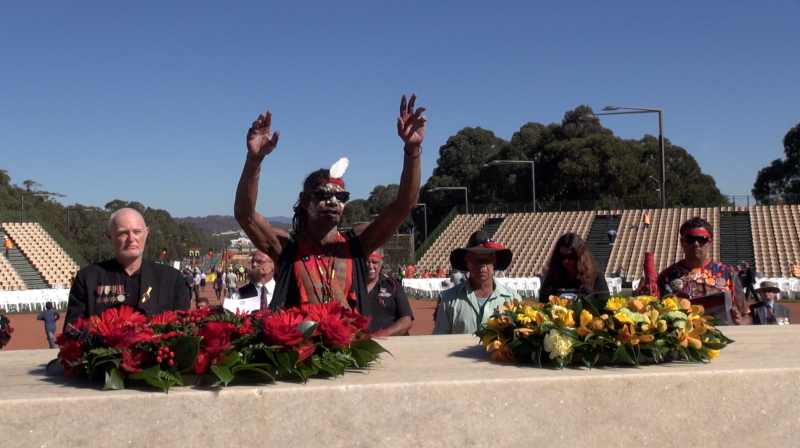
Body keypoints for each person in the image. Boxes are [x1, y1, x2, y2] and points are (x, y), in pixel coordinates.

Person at [234, 94, 424, 314]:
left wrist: (413, 151)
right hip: (300, 346)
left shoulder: (358, 243)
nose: (333, 202)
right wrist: (254, 161)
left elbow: (404, 206)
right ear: (305, 201)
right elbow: (245, 215)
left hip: (350, 345)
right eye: (323, 195)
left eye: (341, 197)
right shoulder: (286, 247)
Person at [64, 208, 190, 329]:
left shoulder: (171, 278)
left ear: (146, 233)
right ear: (109, 237)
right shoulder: (88, 278)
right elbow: (72, 331)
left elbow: (183, 329)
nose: (131, 239)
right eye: (123, 233)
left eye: (137, 232)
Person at [656, 217, 750, 325]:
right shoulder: (666, 277)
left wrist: (740, 322)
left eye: (702, 240)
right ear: (682, 242)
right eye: (690, 239)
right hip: (684, 339)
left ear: (709, 243)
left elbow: (746, 315)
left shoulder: (728, 274)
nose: (696, 244)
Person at [434, 231, 520, 334]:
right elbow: (440, 339)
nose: (482, 266)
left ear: (494, 262)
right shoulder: (450, 299)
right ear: (467, 262)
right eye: (477, 260)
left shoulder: (512, 299)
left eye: (487, 260)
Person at [539, 233, 610, 303]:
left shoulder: (596, 278)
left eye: (571, 257)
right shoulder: (552, 279)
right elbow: (542, 306)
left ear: (581, 257)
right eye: (562, 257)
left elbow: (605, 308)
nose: (566, 261)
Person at [365, 249, 414, 335]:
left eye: (375, 262)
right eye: (367, 262)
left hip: (390, 343)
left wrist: (383, 334)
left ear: (381, 265)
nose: (371, 267)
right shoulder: (352, 287)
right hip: (361, 344)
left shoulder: (393, 285)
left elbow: (407, 320)